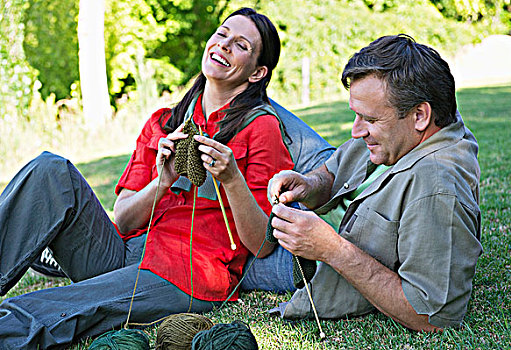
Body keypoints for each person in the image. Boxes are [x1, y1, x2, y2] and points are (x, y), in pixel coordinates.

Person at [0, 8, 334, 349]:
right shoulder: (163, 122)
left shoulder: (260, 128)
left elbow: (262, 246)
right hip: (127, 255)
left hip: (189, 275)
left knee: (56, 306)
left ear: (257, 73)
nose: (225, 45)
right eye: (222, 33)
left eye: (241, 44)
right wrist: (163, 180)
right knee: (50, 169)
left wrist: (232, 179)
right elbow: (125, 219)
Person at [267, 34, 483, 331]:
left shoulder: (437, 185)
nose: (356, 131)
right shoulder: (401, 132)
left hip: (320, 263)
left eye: (369, 119)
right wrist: (309, 184)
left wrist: (331, 249)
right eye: (357, 115)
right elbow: (333, 171)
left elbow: (433, 318)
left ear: (420, 115)